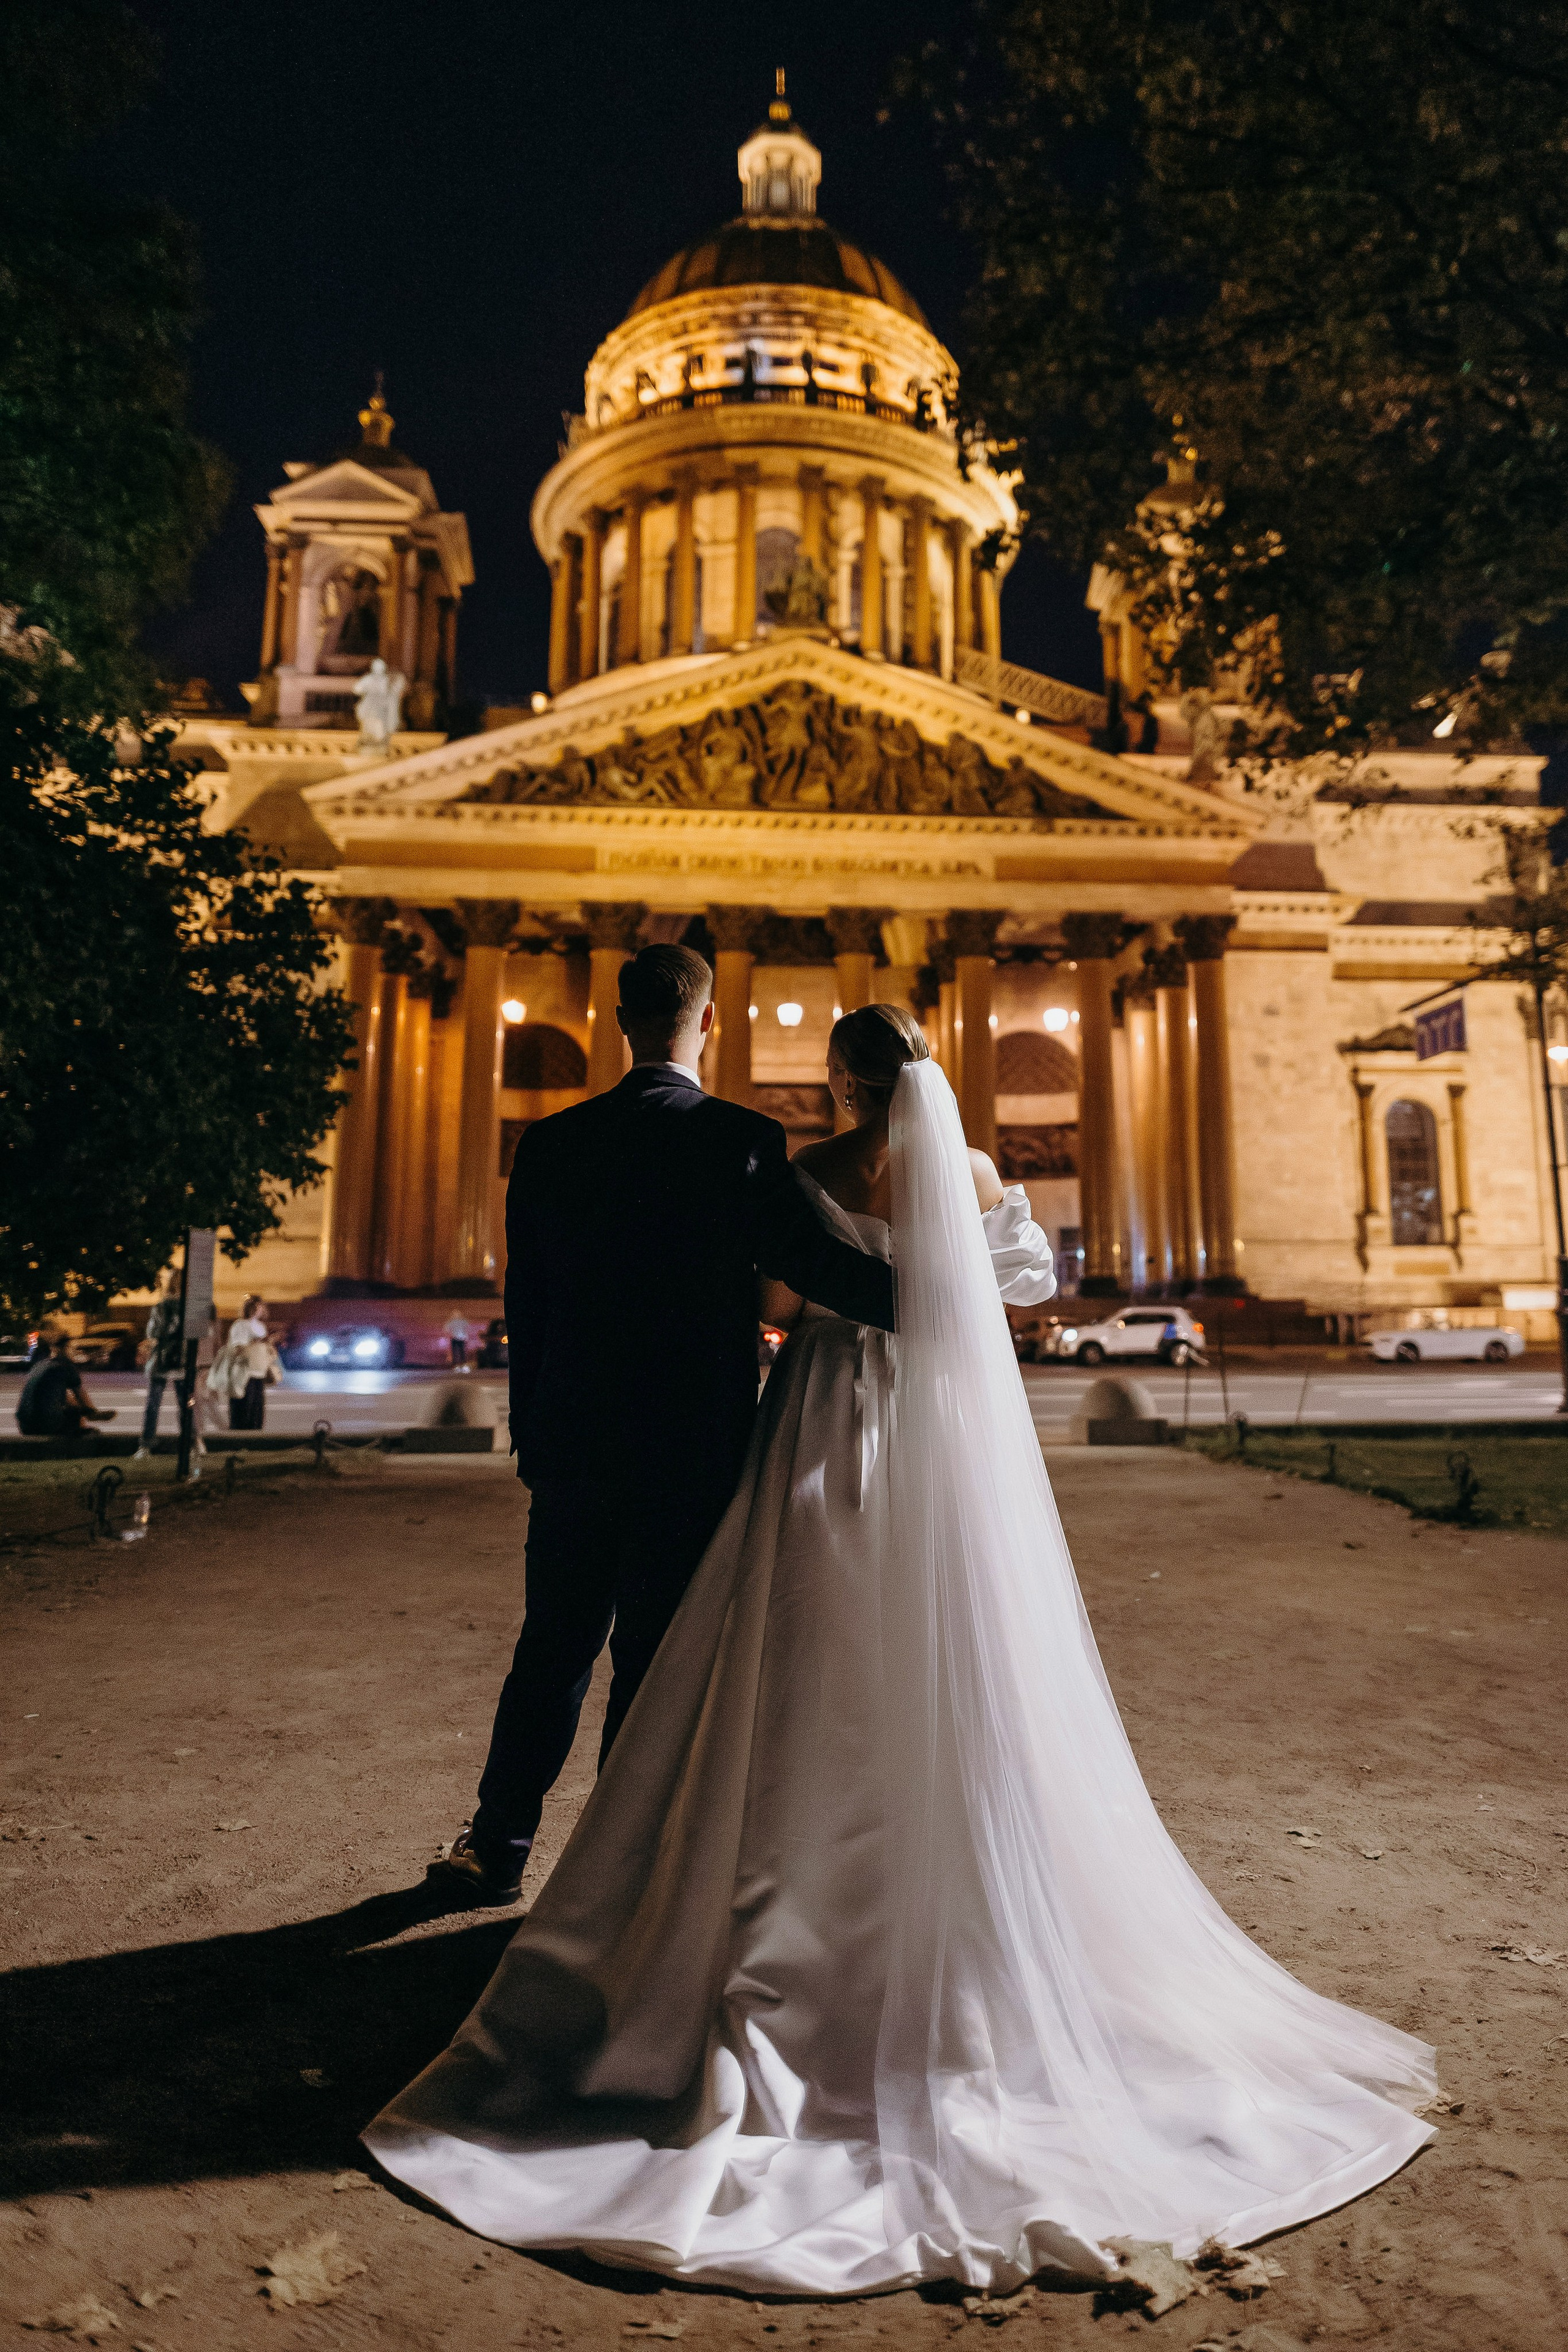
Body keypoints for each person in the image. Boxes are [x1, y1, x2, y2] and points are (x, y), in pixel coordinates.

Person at [366, 1004, 1436, 2296]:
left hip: (823, 1420)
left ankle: (702, 1895)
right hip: (939, 1433)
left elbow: (768, 1291)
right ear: (926, 1073)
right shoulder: (977, 1170)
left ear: (839, 1081)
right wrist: (939, 1300)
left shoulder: (798, 1169)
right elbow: (1013, 1290)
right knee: (955, 1654)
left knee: (789, 1655)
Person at [428, 944, 895, 1907]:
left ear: (618, 1019)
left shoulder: (553, 1143)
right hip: (693, 1446)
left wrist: (533, 1434)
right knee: (654, 1657)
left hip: (576, 1442)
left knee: (551, 1648)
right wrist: (945, 1306)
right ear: (711, 1022)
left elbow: (533, 1302)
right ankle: (620, 1869)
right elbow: (815, 1265)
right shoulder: (744, 1139)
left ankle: (496, 1845)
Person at [16, 1335, 115, 1438]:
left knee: (70, 1407)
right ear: (66, 1348)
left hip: (25, 1425)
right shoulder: (65, 1365)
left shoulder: (39, 1365)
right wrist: (92, 1413)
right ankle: (79, 1434)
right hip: (47, 1424)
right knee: (75, 1413)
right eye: (73, 1349)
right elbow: (82, 1399)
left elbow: (62, 1397)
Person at [135, 1269, 184, 1458]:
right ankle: (193, 1441)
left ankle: (146, 1444)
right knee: (186, 1403)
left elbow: (153, 1332)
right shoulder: (191, 1308)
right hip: (183, 1359)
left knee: (153, 1403)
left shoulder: (162, 1306)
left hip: (162, 1358)